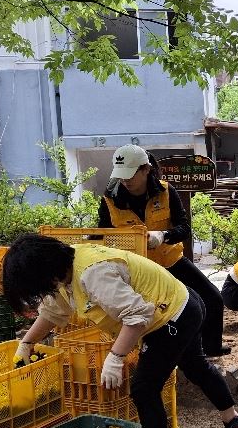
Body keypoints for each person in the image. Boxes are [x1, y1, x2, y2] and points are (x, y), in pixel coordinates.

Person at [2, 234, 238, 428]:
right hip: (183, 302)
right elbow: (54, 311)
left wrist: (115, 357)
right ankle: (233, 420)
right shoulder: (64, 267)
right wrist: (27, 342)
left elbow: (138, 316)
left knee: (144, 388)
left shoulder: (93, 274)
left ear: (48, 275)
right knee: (196, 366)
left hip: (170, 318)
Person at [98, 145, 230, 357]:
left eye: (130, 174)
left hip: (170, 260)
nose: (125, 181)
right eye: (121, 175)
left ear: (145, 169)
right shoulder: (110, 199)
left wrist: (163, 236)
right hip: (136, 270)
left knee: (212, 298)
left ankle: (211, 348)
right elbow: (102, 235)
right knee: (154, 313)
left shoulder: (166, 191)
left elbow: (184, 228)